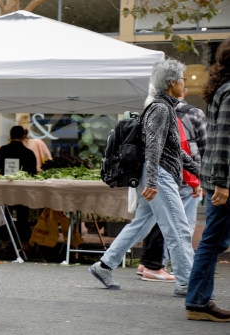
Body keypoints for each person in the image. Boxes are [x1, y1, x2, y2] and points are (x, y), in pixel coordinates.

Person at [88, 58, 200, 298]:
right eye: (183, 80)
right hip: (159, 176)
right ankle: (187, 283)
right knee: (178, 229)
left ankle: (104, 266)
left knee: (141, 225)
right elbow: (153, 147)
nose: (184, 83)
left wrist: (200, 173)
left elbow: (174, 151)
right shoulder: (161, 109)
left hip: (156, 174)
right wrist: (152, 181)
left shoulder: (163, 107)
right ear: (172, 83)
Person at [136, 85, 206, 282]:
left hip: (160, 173)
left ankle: (146, 263)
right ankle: (179, 276)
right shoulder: (189, 112)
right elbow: (196, 147)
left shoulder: (152, 108)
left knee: (153, 220)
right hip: (175, 175)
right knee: (181, 226)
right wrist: (197, 177)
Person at [185, 37, 230, 322]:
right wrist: (224, 184)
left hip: (218, 176)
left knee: (215, 240)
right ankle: (198, 301)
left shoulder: (222, 89)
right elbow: (224, 138)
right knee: (213, 241)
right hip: (223, 179)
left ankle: (198, 300)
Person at [0, 125, 38, 249]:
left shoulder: (2, 150)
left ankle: (3, 242)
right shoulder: (28, 153)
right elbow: (33, 172)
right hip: (22, 191)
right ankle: (24, 244)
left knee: (5, 215)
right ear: (23, 137)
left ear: (10, 136)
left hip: (6, 189)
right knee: (23, 216)